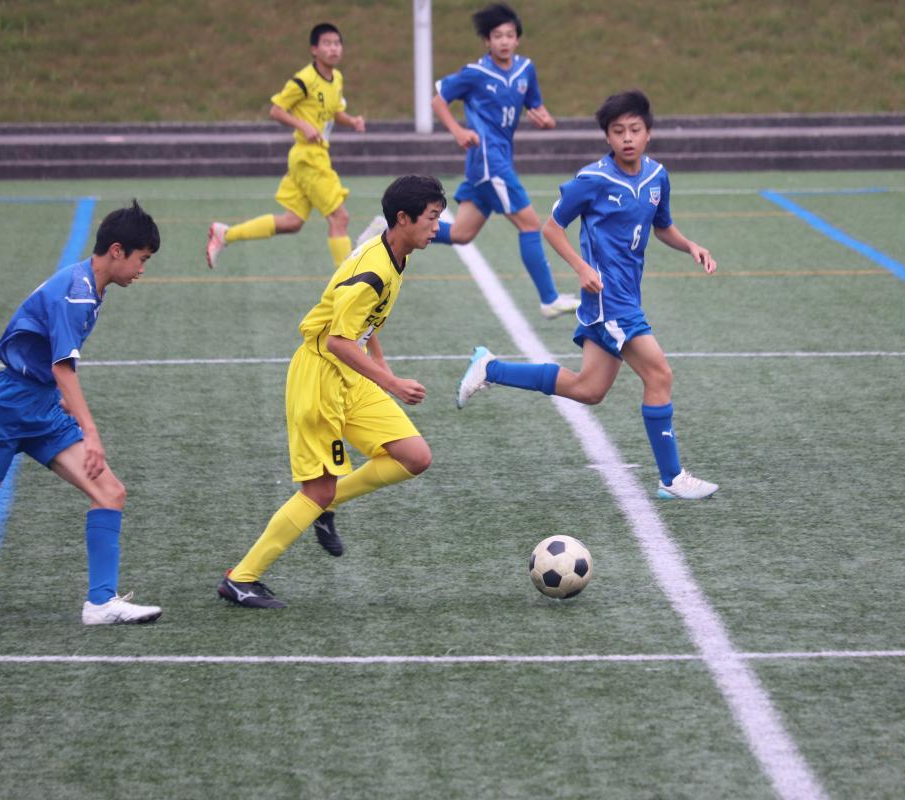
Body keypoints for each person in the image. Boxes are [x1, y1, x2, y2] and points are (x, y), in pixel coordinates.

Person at [456, 90, 719, 500]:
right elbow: (551, 227)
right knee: (659, 374)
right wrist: (581, 268)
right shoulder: (592, 179)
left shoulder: (657, 176)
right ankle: (672, 478)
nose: (627, 138)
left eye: (635, 129)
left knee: (588, 390)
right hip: (608, 300)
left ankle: (491, 369)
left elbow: (661, 225)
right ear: (607, 137)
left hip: (626, 296)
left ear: (648, 133)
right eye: (618, 131)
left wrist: (690, 246)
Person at [218, 175, 447, 609]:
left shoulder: (394, 253)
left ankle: (325, 501)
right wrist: (391, 383)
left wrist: (381, 366)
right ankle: (241, 578)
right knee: (317, 490)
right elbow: (339, 340)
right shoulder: (373, 272)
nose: (437, 227)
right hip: (320, 377)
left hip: (351, 375)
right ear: (403, 218)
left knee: (414, 456)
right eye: (432, 218)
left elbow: (364, 324)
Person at [0, 202, 164, 624]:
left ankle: (100, 604)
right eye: (142, 259)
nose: (141, 269)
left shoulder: (90, 286)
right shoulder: (77, 292)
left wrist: (60, 402)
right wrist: (90, 431)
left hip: (40, 406)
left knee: (110, 493)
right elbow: (62, 367)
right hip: (9, 407)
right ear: (117, 251)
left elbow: (48, 361)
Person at [428, 2, 579, 321]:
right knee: (530, 223)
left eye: (510, 35)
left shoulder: (526, 70)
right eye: (497, 36)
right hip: (488, 161)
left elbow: (537, 109)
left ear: (518, 38)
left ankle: (392, 228)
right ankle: (549, 299)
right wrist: (458, 130)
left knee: (461, 233)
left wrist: (547, 122)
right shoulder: (476, 73)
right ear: (487, 41)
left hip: (493, 163)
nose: (504, 41)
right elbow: (438, 100)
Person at [206, 22, 366, 271]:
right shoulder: (304, 80)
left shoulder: (337, 79)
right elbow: (276, 110)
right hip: (309, 158)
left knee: (292, 222)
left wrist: (352, 121)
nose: (333, 48)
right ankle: (346, 282)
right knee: (339, 217)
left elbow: (334, 112)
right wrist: (303, 125)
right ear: (314, 49)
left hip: (310, 157)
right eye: (327, 43)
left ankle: (225, 234)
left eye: (337, 43)